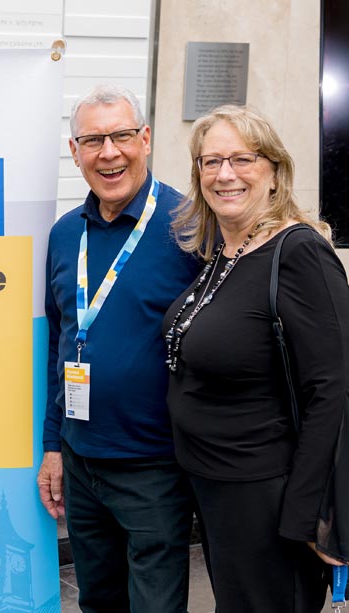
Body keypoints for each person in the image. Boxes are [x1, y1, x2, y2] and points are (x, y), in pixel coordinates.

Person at [164, 104, 347, 612]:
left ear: (274, 171)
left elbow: (333, 389)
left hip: (267, 496)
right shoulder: (224, 252)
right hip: (215, 489)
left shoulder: (299, 253)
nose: (225, 174)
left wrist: (307, 513)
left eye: (242, 159)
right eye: (210, 161)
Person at [37, 84, 200, 613]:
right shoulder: (65, 235)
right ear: (75, 151)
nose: (109, 153)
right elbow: (60, 347)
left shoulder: (190, 227)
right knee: (98, 601)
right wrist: (55, 445)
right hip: (83, 463)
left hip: (155, 465)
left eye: (122, 136)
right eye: (93, 140)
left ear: (146, 139)